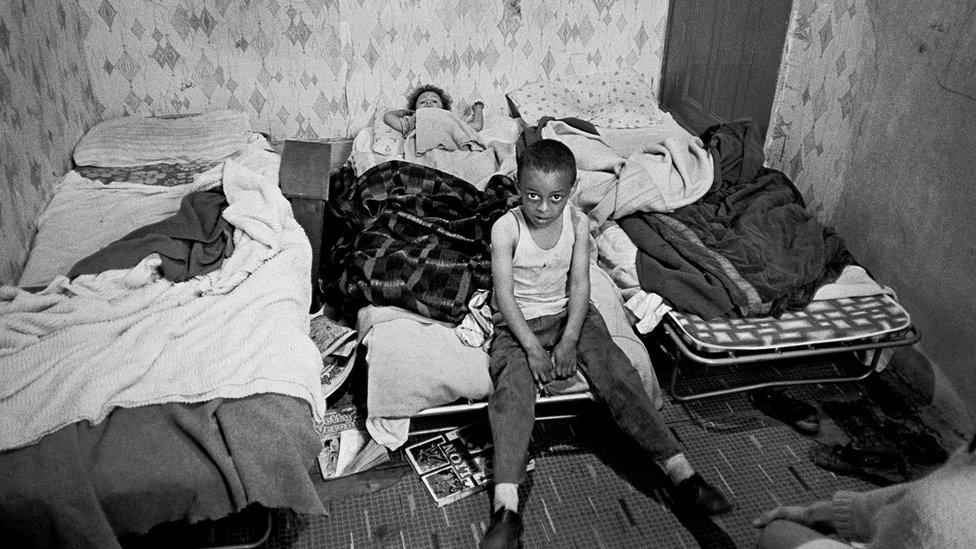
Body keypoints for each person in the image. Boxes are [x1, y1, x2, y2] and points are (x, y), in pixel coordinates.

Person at [480, 139, 732, 549]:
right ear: (517, 187)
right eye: (532, 196)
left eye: (556, 198)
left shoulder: (578, 224)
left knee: (617, 371)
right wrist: (532, 349)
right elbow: (505, 296)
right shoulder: (506, 228)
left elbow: (581, 285)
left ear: (573, 192)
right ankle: (506, 510)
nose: (543, 208)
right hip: (518, 325)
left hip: (569, 316)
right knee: (512, 394)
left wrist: (569, 340)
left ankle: (681, 472)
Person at [752, 431, 976, 549]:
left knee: (776, 533)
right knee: (780, 532)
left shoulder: (943, 511)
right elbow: (920, 494)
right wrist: (816, 515)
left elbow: (926, 506)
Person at [382, 84, 484, 135]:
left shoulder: (450, 119)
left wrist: (478, 108)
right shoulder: (412, 121)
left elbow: (476, 126)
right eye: (422, 102)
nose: (428, 102)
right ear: (415, 110)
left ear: (444, 110)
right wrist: (404, 112)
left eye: (435, 101)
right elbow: (388, 117)